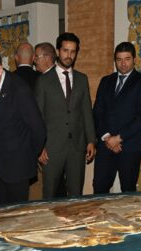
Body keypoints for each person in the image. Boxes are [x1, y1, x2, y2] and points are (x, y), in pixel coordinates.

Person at [0, 47, 46, 204]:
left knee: (15, 218)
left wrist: (25, 157)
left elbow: (39, 130)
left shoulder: (20, 90)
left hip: (16, 169)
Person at [35, 32, 96, 199]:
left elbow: (86, 111)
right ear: (57, 51)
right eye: (65, 50)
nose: (69, 55)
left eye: (73, 51)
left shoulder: (82, 79)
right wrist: (40, 147)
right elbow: (38, 116)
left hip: (77, 146)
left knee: (76, 193)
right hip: (52, 148)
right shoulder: (43, 81)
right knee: (49, 193)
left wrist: (91, 140)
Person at [92, 41, 141, 194]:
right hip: (105, 145)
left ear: (134, 59)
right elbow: (98, 112)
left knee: (128, 191)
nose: (123, 63)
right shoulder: (105, 81)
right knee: (99, 188)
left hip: (130, 145)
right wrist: (107, 138)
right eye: (119, 59)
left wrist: (118, 138)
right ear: (115, 60)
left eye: (127, 59)